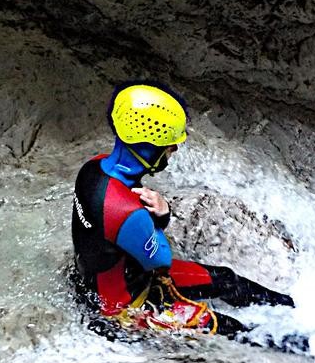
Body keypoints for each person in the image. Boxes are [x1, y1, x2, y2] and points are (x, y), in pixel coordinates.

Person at [71, 81, 296, 341]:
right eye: (169, 144)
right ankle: (314, 346)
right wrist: (163, 214)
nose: (174, 149)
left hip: (107, 281)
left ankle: (293, 308)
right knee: (225, 327)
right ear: (148, 147)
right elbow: (161, 259)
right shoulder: (127, 213)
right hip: (123, 309)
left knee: (225, 279)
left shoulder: (93, 167)